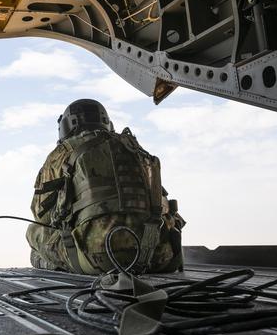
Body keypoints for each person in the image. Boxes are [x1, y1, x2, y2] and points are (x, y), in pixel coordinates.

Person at [26, 99, 184, 274]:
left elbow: (42, 216)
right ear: (107, 123)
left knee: (33, 231)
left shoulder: (62, 154)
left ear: (64, 127)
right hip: (158, 257)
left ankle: (56, 265)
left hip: (101, 261)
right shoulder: (134, 148)